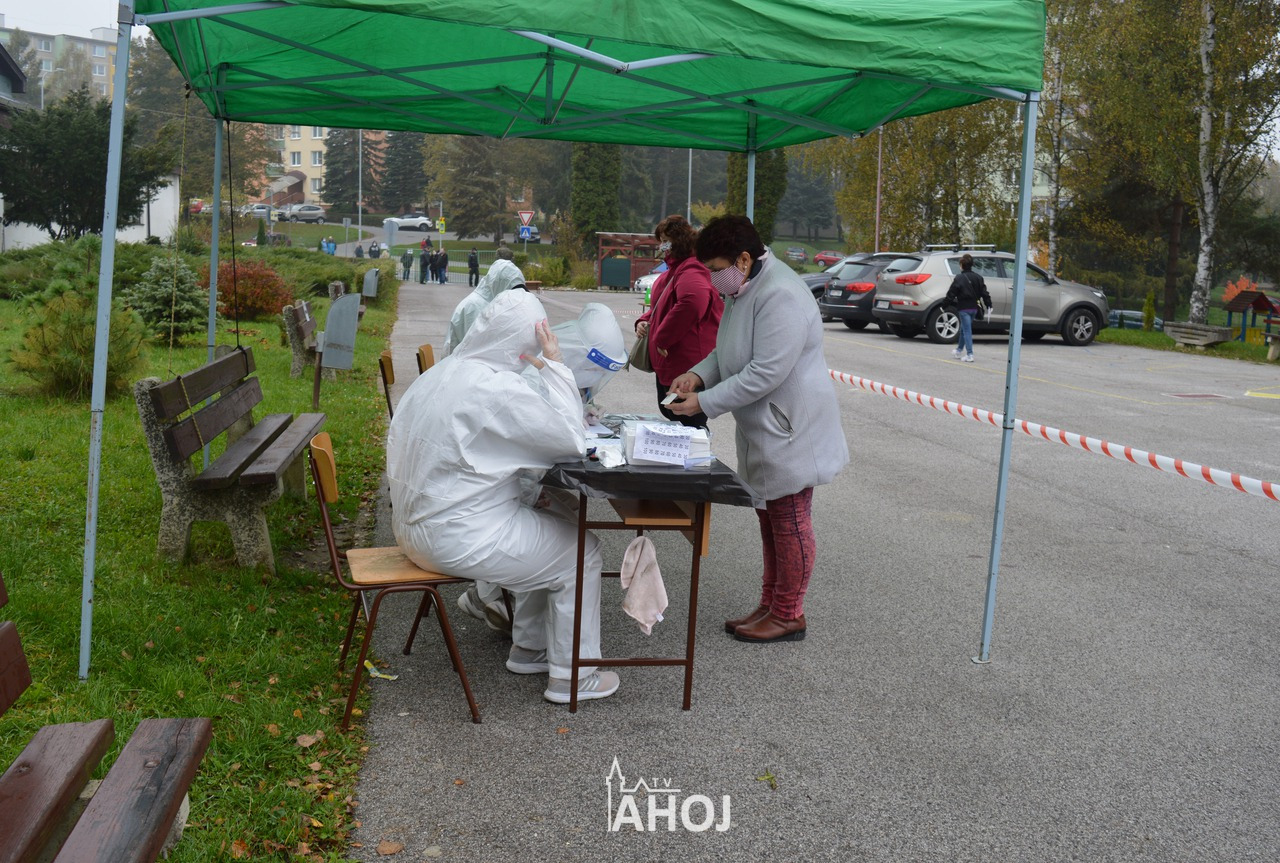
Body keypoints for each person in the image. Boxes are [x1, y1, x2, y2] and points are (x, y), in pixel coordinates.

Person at [387, 290, 619, 704]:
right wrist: (556, 366)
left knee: (547, 532)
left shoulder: (440, 374)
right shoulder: (495, 387)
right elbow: (569, 439)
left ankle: (530, 649)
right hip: (454, 536)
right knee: (582, 553)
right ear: (525, 345)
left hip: (412, 529)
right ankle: (574, 677)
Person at [668, 215, 849, 644]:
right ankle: (770, 603)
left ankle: (788, 613)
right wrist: (698, 374)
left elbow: (765, 372)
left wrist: (705, 402)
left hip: (791, 427)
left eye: (716, 269)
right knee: (770, 517)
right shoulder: (743, 287)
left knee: (790, 520)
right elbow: (727, 349)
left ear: (744, 259)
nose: (713, 278)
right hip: (766, 425)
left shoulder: (780, 294)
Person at [457, 302, 627, 631]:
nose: (595, 378)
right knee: (570, 534)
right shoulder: (533, 375)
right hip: (502, 489)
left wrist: (582, 411)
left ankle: (511, 608)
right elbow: (521, 453)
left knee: (570, 514)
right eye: (594, 369)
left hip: (510, 484)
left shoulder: (551, 367)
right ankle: (495, 599)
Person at [635, 215, 722, 427]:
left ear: (678, 241)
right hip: (673, 363)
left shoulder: (691, 269)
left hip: (686, 364)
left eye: (665, 240)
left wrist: (663, 338)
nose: (662, 246)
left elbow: (693, 302)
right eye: (661, 241)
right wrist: (644, 321)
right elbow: (660, 306)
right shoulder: (675, 270)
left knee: (687, 423)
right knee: (676, 419)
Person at [443, 258, 526, 355]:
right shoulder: (473, 307)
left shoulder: (496, 304)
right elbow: (475, 348)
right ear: (499, 283)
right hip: (465, 361)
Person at [944, 253, 993, 363]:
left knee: (967, 330)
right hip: (974, 308)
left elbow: (951, 293)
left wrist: (944, 305)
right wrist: (989, 304)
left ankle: (970, 354)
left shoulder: (959, 278)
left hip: (964, 308)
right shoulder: (978, 278)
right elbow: (984, 293)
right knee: (964, 329)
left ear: (962, 265)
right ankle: (958, 350)